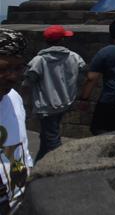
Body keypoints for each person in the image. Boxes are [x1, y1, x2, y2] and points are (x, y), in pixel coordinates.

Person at [22, 25, 86, 160]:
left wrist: (25, 103)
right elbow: (83, 74)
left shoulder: (38, 61)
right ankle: (39, 164)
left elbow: (28, 82)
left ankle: (58, 167)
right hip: (65, 102)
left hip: (46, 105)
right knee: (48, 136)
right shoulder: (74, 57)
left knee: (52, 140)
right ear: (62, 40)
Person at [0, 29, 33, 215]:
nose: (13, 76)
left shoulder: (13, 98)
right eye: (3, 69)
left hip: (13, 205)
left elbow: (18, 148)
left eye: (18, 68)